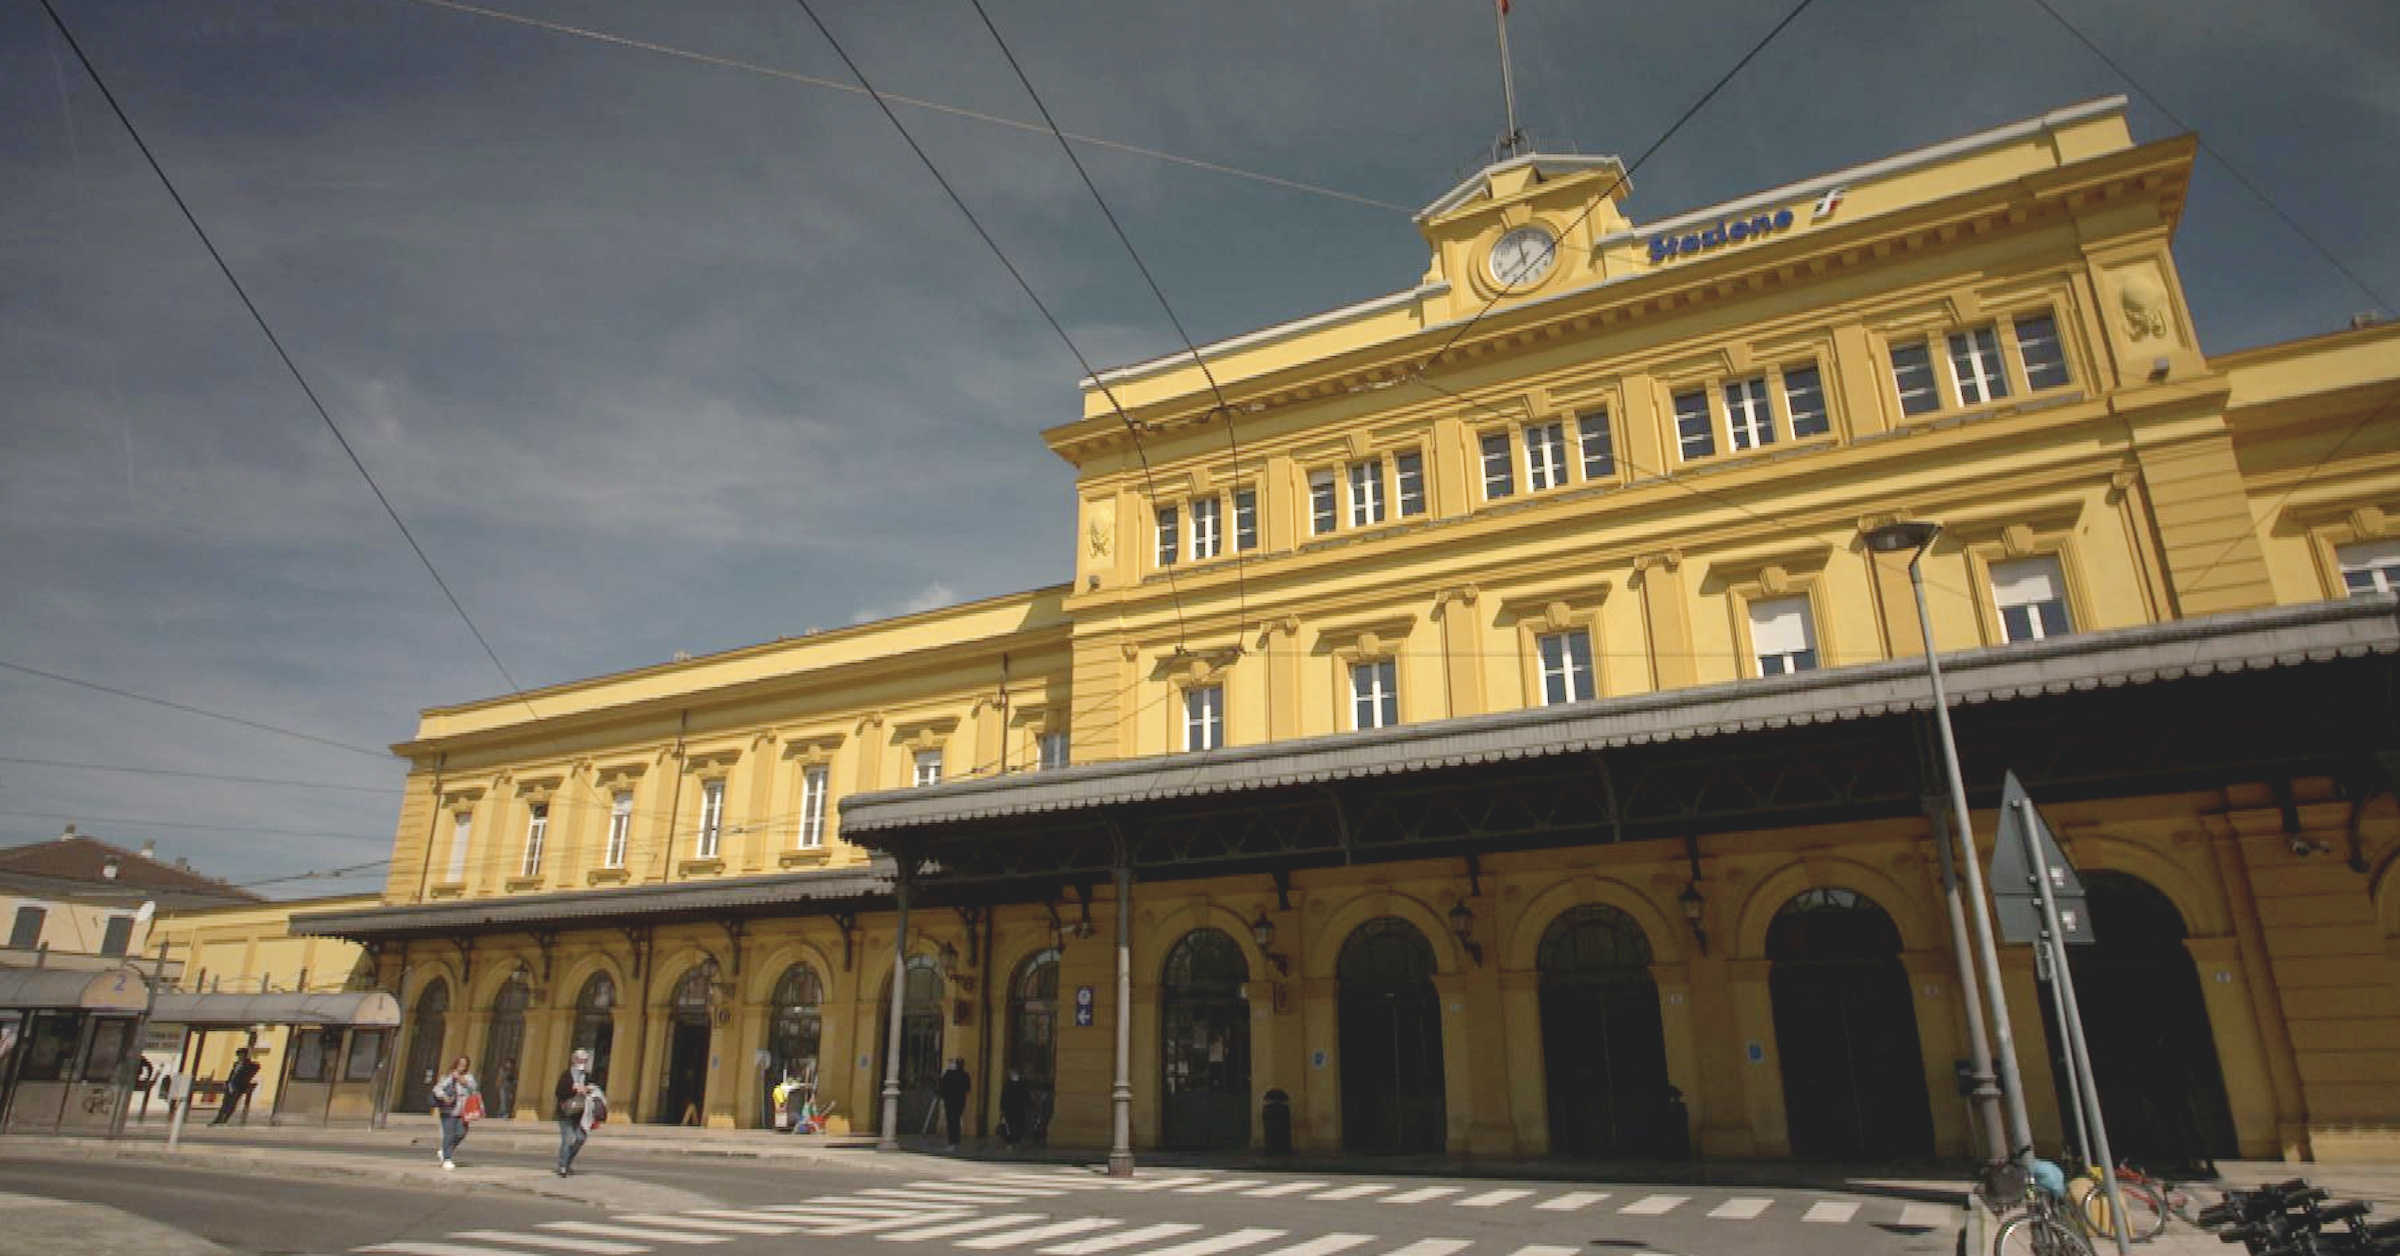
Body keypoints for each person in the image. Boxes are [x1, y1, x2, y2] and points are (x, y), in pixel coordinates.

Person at [430, 1055, 478, 1170]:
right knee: (449, 1134)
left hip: (463, 1111)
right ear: (456, 1064)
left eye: (464, 1064)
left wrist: (461, 1079)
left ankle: (445, 1150)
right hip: (449, 1110)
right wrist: (445, 1097)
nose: (462, 1066)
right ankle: (447, 1159)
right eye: (460, 1063)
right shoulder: (448, 1077)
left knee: (461, 1133)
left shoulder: (469, 1077)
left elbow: (473, 1088)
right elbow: (437, 1089)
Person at [554, 1048, 595, 1176]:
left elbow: (593, 1090)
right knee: (567, 1139)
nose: (582, 1062)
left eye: (585, 1060)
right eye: (580, 1059)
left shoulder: (587, 1076)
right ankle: (563, 1166)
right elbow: (559, 1092)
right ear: (574, 1060)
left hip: (581, 1113)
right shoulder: (566, 1075)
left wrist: (588, 1090)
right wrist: (574, 1090)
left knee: (580, 1138)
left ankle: (567, 1161)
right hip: (566, 1112)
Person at [209, 1047, 261, 1126]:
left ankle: (224, 1119)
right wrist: (227, 1083)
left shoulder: (248, 1065)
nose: (240, 1056)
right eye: (239, 1055)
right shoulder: (236, 1064)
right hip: (230, 1085)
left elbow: (255, 1068)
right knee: (224, 1104)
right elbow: (232, 1075)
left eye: (242, 1055)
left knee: (232, 1104)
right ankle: (218, 1119)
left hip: (238, 1087)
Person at [936, 1058, 971, 1151]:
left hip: (950, 1101)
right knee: (956, 1120)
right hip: (960, 1101)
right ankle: (956, 1141)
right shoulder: (964, 1074)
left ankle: (952, 1142)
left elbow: (942, 1087)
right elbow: (968, 1088)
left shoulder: (948, 1074)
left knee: (951, 1121)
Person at [998, 1069, 1031, 1149]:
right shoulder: (1011, 1085)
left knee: (1016, 1124)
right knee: (1011, 1124)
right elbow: (1004, 1097)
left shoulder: (1013, 1085)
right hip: (1013, 1108)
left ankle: (1014, 1139)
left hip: (1015, 1108)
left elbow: (1025, 1096)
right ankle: (1012, 1139)